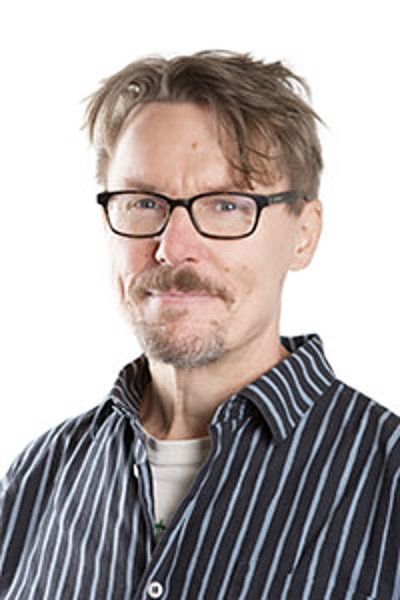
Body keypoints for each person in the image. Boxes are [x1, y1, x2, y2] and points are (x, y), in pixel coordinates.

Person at [1, 51, 399, 600]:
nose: (172, 247)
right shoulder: (36, 480)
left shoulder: (388, 479)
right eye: (143, 202)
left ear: (304, 234)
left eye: (226, 205)